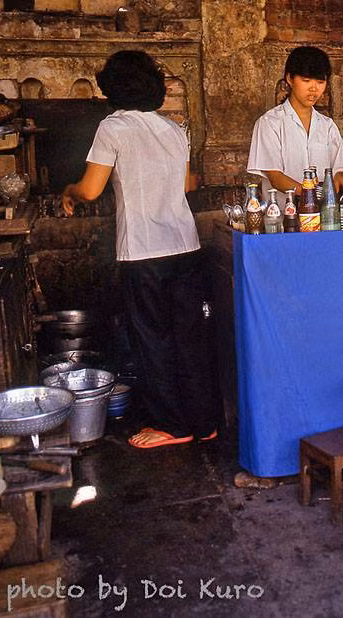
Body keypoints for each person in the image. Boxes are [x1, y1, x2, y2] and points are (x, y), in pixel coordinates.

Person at [62, 50, 220, 449]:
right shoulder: (174, 129)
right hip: (185, 245)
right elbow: (185, 187)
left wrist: (70, 191)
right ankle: (205, 423)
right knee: (190, 339)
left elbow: (91, 189)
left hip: (143, 252)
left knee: (153, 341)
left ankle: (172, 426)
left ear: (111, 88)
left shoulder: (112, 128)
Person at [247, 46, 343, 195]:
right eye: (306, 80)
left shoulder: (327, 126)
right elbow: (276, 178)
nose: (314, 89)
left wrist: (341, 176)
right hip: (284, 213)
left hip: (322, 214)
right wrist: (310, 197)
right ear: (290, 78)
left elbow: (341, 167)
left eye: (320, 82)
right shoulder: (270, 123)